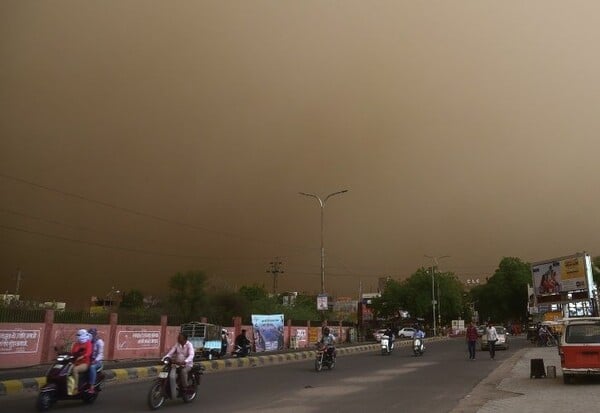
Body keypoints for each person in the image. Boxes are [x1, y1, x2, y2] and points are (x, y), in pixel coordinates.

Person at [70, 329, 93, 395]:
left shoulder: (88, 343)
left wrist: (82, 356)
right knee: (66, 369)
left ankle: (76, 388)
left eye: (79, 335)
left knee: (75, 370)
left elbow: (89, 353)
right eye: (77, 335)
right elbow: (72, 352)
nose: (78, 336)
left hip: (85, 363)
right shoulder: (76, 344)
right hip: (76, 362)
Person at [86, 328, 104, 393]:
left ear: (94, 335)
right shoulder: (87, 341)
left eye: (91, 334)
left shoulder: (99, 342)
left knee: (92, 367)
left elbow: (100, 354)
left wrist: (95, 360)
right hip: (88, 360)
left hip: (97, 362)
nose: (90, 336)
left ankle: (92, 386)